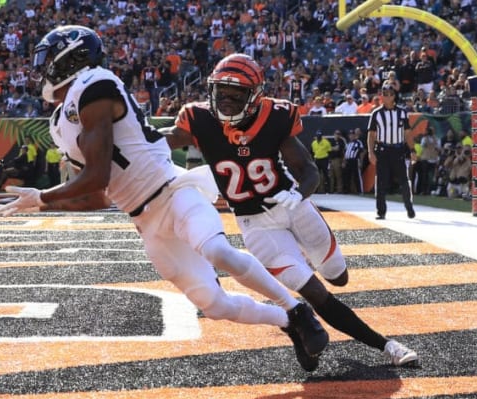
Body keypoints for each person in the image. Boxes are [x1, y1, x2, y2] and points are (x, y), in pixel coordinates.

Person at [0, 25, 329, 359]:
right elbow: (98, 197)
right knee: (214, 305)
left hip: (172, 191)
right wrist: (42, 206)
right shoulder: (59, 122)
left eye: (51, 58)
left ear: (72, 57)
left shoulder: (94, 84)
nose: (45, 68)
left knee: (216, 250)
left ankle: (297, 309)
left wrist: (44, 197)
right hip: (145, 220)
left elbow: (96, 177)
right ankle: (287, 320)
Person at [161, 53, 418, 371]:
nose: (226, 101)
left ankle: (305, 262)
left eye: (236, 94)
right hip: (256, 225)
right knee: (315, 293)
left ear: (254, 96)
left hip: (292, 207)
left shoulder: (275, 116)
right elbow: (153, 144)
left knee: (339, 277)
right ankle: (387, 345)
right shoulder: (198, 120)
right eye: (221, 92)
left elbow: (309, 170)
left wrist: (297, 195)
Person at [367, 84, 416, 219]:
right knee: (381, 182)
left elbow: (407, 133)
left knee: (404, 181)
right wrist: (371, 153)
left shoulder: (402, 112)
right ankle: (381, 211)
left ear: (394, 96)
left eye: (389, 94)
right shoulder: (376, 113)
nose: (386, 96)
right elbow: (371, 135)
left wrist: (412, 150)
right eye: (384, 94)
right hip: (382, 150)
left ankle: (409, 207)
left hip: (398, 150)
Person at [342, 128, 365, 194]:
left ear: (355, 135)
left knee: (357, 176)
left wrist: (360, 161)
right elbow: (345, 153)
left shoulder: (358, 142)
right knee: (347, 176)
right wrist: (344, 161)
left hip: (355, 160)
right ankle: (347, 190)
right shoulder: (348, 144)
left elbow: (362, 152)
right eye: (350, 135)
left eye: (352, 135)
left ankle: (360, 191)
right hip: (348, 161)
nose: (351, 136)